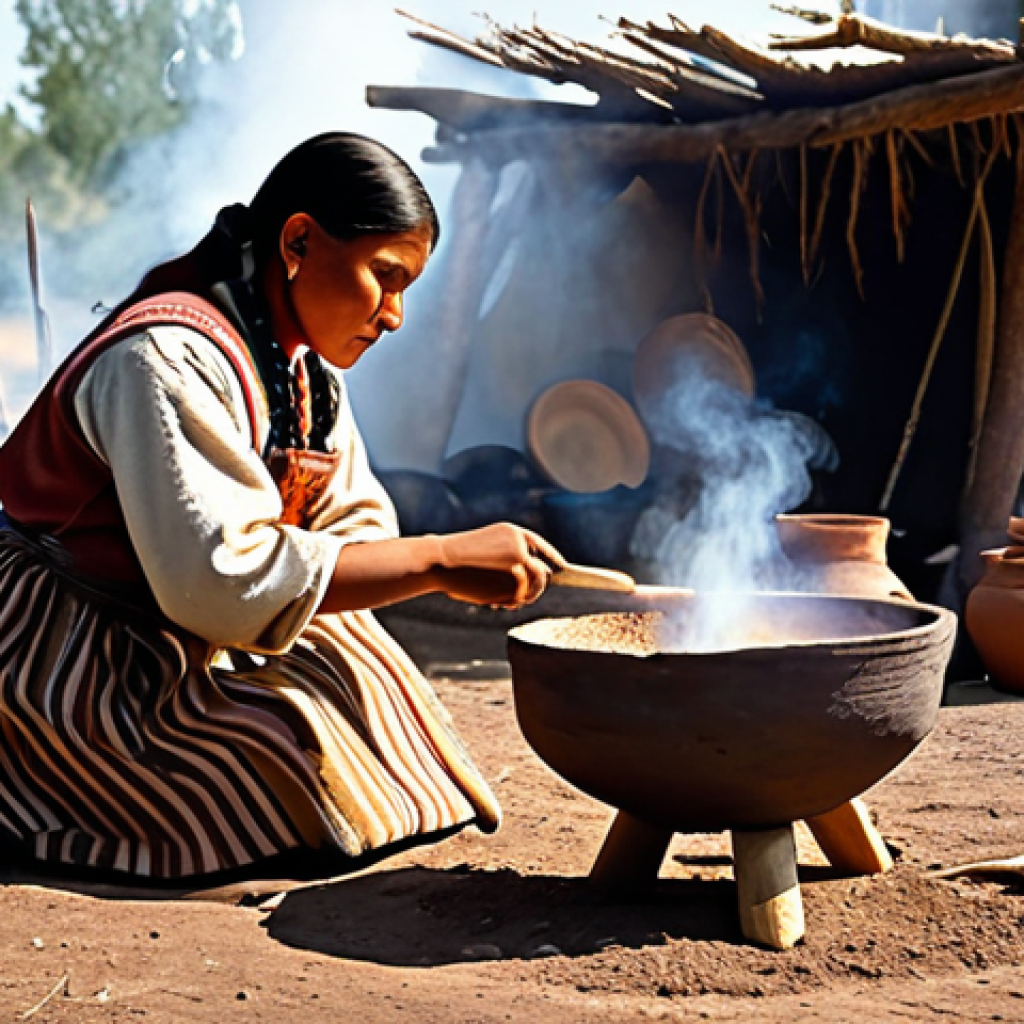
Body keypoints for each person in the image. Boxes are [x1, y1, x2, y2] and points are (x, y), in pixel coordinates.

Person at [0, 132, 565, 880]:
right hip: (79, 639)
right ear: (298, 240)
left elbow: (354, 525)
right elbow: (218, 581)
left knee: (372, 698)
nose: (394, 315)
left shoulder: (305, 378)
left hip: (201, 624)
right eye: (384, 278)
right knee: (265, 772)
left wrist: (390, 562)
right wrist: (439, 558)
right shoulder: (162, 357)